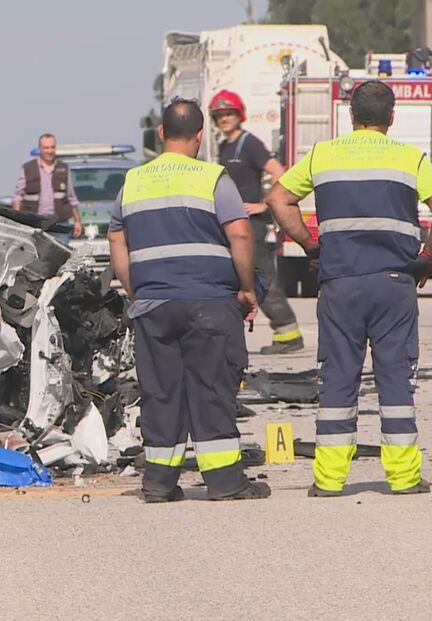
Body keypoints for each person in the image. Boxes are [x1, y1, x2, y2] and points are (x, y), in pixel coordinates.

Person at [266, 81, 432, 496]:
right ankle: (404, 478)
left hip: (340, 282)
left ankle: (329, 479)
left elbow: (278, 199)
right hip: (393, 283)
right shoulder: (409, 158)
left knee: (338, 378)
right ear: (392, 117)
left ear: (351, 116)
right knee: (394, 378)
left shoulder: (323, 154)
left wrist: (309, 244)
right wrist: (428, 257)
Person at [108, 97, 270, 503]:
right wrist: (247, 289)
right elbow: (239, 233)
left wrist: (136, 290)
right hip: (209, 302)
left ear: (161, 133)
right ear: (200, 136)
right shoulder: (214, 179)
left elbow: (116, 239)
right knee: (211, 388)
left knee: (161, 392)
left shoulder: (133, 181)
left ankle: (159, 484)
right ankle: (226, 484)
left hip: (154, 304)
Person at [209, 88, 304, 354]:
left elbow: (279, 173)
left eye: (229, 113)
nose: (225, 119)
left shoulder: (249, 144)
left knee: (258, 276)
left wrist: (264, 204)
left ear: (239, 115)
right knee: (239, 277)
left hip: (251, 224)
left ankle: (288, 332)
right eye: (220, 115)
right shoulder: (225, 145)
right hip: (232, 222)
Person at [12, 133, 82, 242]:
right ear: (40, 149)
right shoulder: (28, 168)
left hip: (59, 223)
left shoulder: (63, 169)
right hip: (34, 224)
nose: (49, 151)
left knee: (60, 256)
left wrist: (77, 221)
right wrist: (16, 220)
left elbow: (71, 197)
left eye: (52, 147)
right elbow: (17, 197)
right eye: (46, 148)